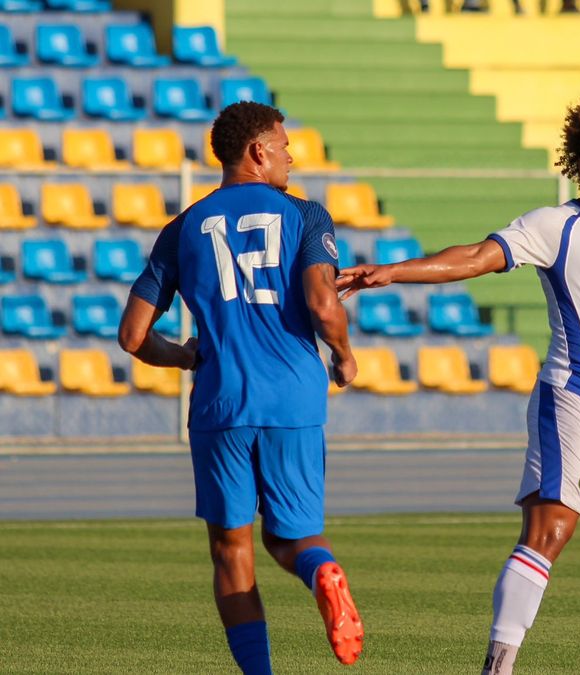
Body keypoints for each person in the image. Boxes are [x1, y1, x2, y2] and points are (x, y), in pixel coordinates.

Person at [337, 91, 580, 675]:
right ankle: (499, 666)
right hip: (571, 400)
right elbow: (475, 256)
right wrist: (392, 273)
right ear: (579, 164)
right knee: (549, 531)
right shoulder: (555, 227)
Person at [117, 101, 364, 673]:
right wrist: (345, 358)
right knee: (294, 538)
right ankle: (321, 569)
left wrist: (182, 356)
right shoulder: (307, 215)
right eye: (283, 145)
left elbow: (132, 336)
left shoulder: (182, 229)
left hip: (221, 402)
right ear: (258, 151)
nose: (290, 155)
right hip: (294, 400)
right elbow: (324, 303)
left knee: (232, 550)